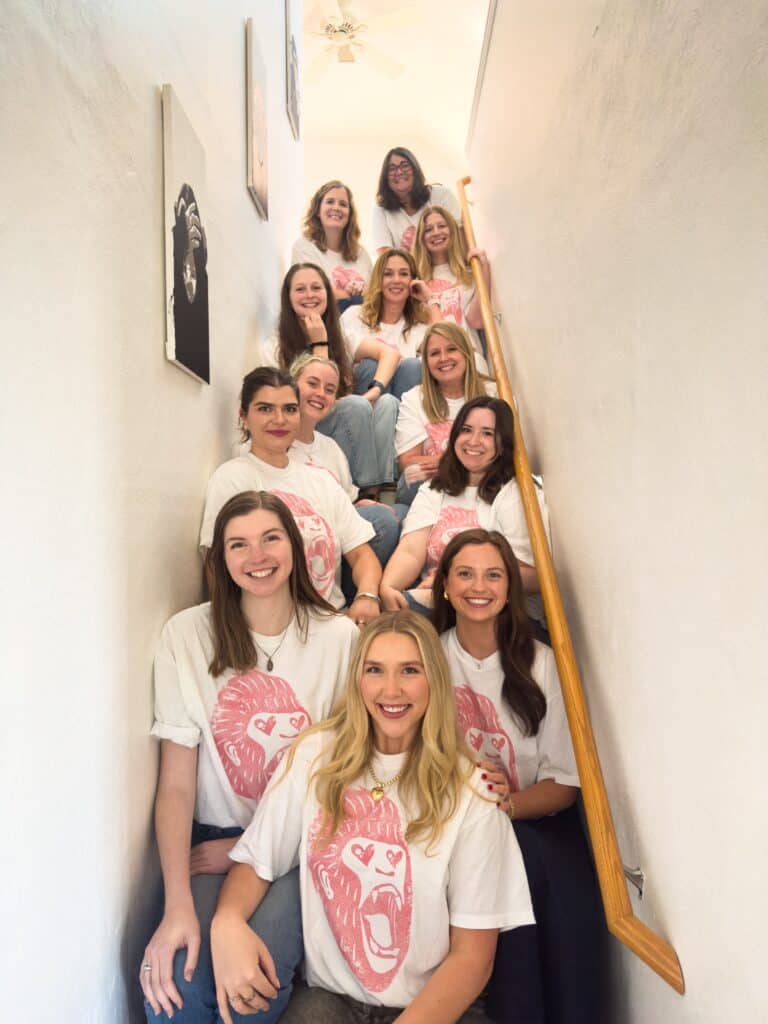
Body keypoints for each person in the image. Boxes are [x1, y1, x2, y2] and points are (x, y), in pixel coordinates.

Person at [209, 611, 534, 1024]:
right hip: (329, 1002)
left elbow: (472, 960)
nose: (391, 689)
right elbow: (258, 859)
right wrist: (227, 921)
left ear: (434, 679)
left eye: (410, 671)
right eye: (375, 670)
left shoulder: (472, 792)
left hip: (436, 1008)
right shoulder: (313, 756)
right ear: (357, 679)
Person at [140, 490, 360, 1023]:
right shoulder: (186, 636)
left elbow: (349, 775)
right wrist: (176, 908)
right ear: (220, 558)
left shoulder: (339, 637)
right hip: (212, 847)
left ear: (295, 547)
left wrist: (253, 845)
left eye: (270, 539)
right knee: (175, 984)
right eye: (238, 544)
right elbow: (175, 783)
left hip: (300, 852)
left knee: (247, 987)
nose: (256, 556)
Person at [434, 530, 602, 1024]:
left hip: (532, 818)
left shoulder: (542, 662)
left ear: (510, 587)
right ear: (444, 585)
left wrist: (508, 805)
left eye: (493, 574)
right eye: (464, 573)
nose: (478, 586)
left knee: (550, 883)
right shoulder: (430, 658)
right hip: (453, 823)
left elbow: (566, 785)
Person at [200, 367, 382, 625]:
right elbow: (214, 566)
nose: (279, 419)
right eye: (265, 409)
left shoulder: (321, 480)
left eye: (289, 409)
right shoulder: (232, 478)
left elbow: (362, 555)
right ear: (243, 416)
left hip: (329, 624)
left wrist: (367, 595)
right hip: (264, 627)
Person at [380, 397, 548, 626]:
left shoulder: (516, 493)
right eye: (466, 430)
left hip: (501, 611)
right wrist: (388, 588)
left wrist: (452, 580)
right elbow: (411, 551)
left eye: (487, 433)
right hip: (438, 600)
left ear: (502, 444)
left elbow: (534, 576)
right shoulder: (435, 488)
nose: (474, 441)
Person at [262, 263, 400, 491]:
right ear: (288, 298)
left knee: (388, 402)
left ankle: (387, 487)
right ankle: (368, 490)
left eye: (316, 288)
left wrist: (375, 390)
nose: (309, 295)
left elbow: (390, 354)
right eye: (300, 289)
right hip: (305, 425)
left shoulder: (341, 334)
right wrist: (319, 343)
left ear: (328, 293)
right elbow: (307, 402)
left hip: (339, 417)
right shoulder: (275, 346)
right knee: (355, 405)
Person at [289, 353, 404, 580]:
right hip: (302, 532)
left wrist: (358, 502)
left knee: (396, 514)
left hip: (338, 532)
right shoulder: (276, 444)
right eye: (312, 384)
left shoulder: (331, 447)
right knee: (383, 521)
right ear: (291, 386)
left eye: (330, 390)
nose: (321, 394)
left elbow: (346, 499)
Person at [394, 322, 495, 506]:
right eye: (434, 353)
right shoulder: (414, 398)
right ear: (426, 362)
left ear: (466, 353)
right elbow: (408, 461)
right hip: (433, 487)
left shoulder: (494, 394)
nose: (443, 358)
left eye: (451, 349)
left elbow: (504, 453)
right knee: (414, 473)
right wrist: (472, 458)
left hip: (482, 481)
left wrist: (448, 461)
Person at [340, 248, 443, 400]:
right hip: (364, 404)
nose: (396, 280)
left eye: (403, 274)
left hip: (401, 409)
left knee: (413, 367)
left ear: (413, 281)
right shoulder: (354, 315)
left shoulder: (416, 327)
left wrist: (430, 299)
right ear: (378, 280)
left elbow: (444, 344)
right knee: (369, 365)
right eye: (388, 274)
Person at [411, 205, 490, 362]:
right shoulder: (415, 281)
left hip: (467, 354)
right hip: (429, 360)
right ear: (421, 237)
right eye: (428, 229)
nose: (436, 232)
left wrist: (484, 268)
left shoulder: (469, 274)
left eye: (442, 226)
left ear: (452, 231)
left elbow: (477, 320)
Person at [291, 181, 372, 310]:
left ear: (349, 214)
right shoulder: (304, 247)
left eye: (343, 204)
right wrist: (352, 294)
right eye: (330, 202)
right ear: (318, 210)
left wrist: (362, 292)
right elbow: (312, 295)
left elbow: (374, 294)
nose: (336, 208)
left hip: (361, 324)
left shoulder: (361, 254)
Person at [371, 146, 462, 254]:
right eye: (392, 169)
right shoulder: (381, 210)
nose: (399, 172)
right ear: (385, 177)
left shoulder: (442, 195)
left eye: (404, 166)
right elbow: (385, 255)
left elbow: (460, 237)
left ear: (415, 169)